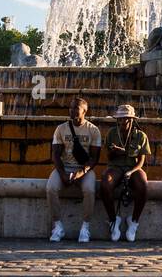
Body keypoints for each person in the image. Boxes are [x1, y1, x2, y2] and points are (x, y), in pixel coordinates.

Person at [48, 96, 101, 242]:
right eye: (70, 107)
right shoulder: (61, 129)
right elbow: (56, 155)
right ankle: (58, 226)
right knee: (51, 188)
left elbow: (94, 159)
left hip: (84, 169)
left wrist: (81, 172)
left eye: (75, 108)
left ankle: (85, 227)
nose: (71, 110)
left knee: (90, 190)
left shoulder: (93, 130)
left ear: (84, 111)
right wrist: (63, 174)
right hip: (64, 166)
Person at [101, 104, 150, 242]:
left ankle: (133, 221)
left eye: (126, 119)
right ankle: (113, 220)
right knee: (105, 184)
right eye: (121, 119)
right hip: (115, 167)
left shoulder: (140, 136)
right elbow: (108, 157)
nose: (123, 122)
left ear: (132, 120)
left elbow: (141, 161)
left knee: (143, 185)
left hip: (133, 167)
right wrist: (114, 152)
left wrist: (131, 172)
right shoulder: (112, 133)